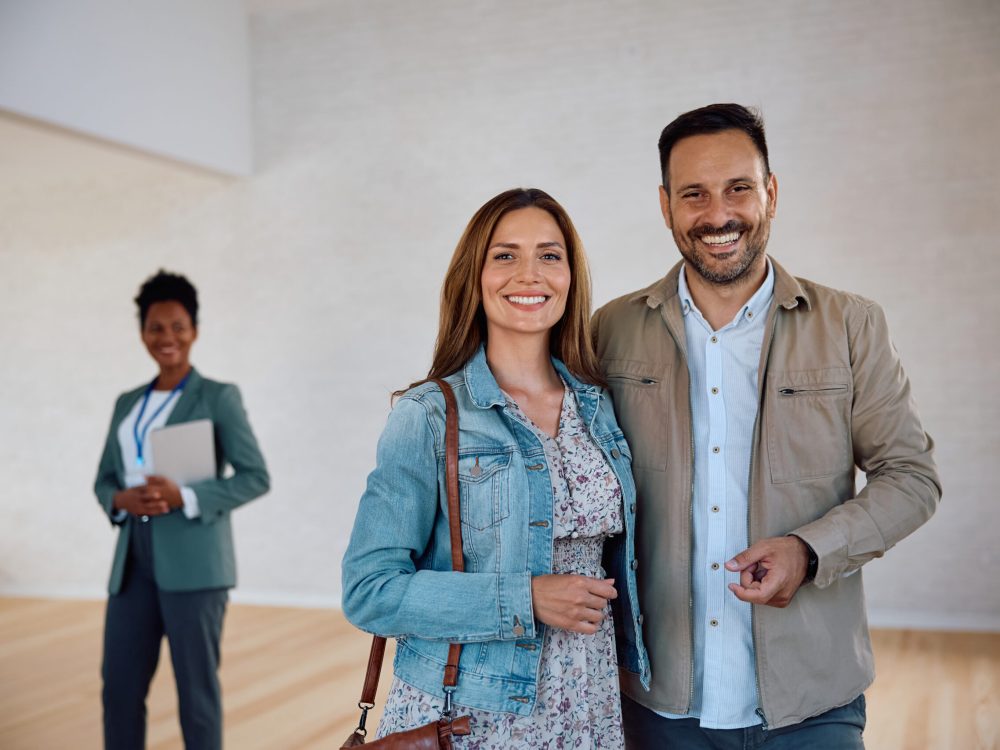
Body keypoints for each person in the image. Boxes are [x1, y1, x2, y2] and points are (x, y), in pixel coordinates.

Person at [592, 104, 941, 748]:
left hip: (813, 702)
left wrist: (811, 552)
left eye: (739, 188)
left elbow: (911, 478)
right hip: (656, 704)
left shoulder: (849, 325)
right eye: (694, 193)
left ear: (771, 193)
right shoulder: (607, 332)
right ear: (666, 205)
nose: (718, 214)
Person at [342, 188, 649, 747]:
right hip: (474, 709)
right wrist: (525, 597)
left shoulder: (598, 406)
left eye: (549, 256)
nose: (529, 274)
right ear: (474, 277)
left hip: (589, 699)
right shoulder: (429, 416)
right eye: (505, 255)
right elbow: (370, 590)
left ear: (571, 277)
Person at [93, 270, 270, 750]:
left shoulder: (217, 397)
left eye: (177, 326)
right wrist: (119, 500)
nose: (166, 338)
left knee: (196, 694)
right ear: (142, 332)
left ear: (194, 329)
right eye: (155, 328)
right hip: (133, 562)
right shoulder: (126, 403)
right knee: (120, 689)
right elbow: (104, 479)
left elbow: (256, 477)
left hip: (195, 563)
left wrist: (184, 497)